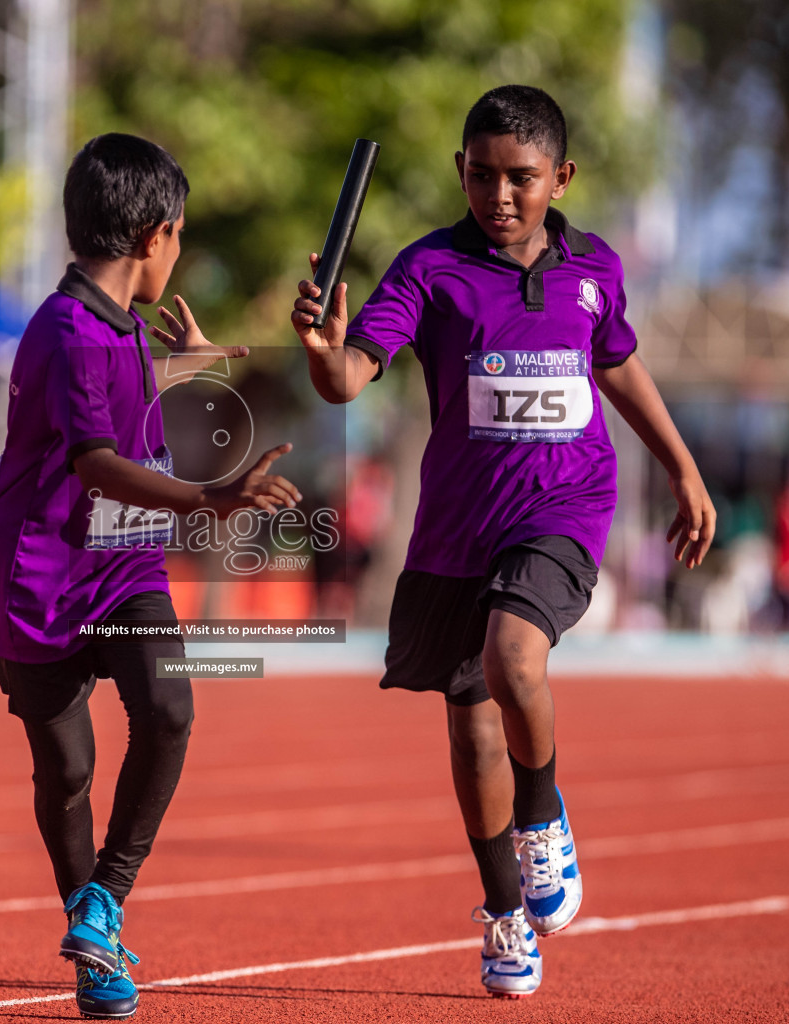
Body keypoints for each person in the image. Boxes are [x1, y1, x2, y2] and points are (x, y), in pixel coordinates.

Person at [291, 85, 715, 998]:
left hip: (565, 507)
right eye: (482, 176)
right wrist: (326, 350)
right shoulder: (427, 268)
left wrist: (681, 466)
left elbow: (619, 364)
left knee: (515, 657)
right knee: (473, 724)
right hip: (457, 525)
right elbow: (349, 378)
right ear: (461, 170)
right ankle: (502, 913)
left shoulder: (594, 268)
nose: (501, 196)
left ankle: (542, 814)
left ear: (560, 178)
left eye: (521, 178)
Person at [0, 132, 301, 1020]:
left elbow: (128, 430)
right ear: (155, 235)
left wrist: (186, 372)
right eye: (183, 235)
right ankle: (96, 945)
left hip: (120, 566)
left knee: (167, 708)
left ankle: (102, 902)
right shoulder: (70, 331)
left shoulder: (116, 328)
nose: (181, 251)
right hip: (35, 581)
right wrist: (215, 496)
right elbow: (98, 463)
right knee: (68, 771)